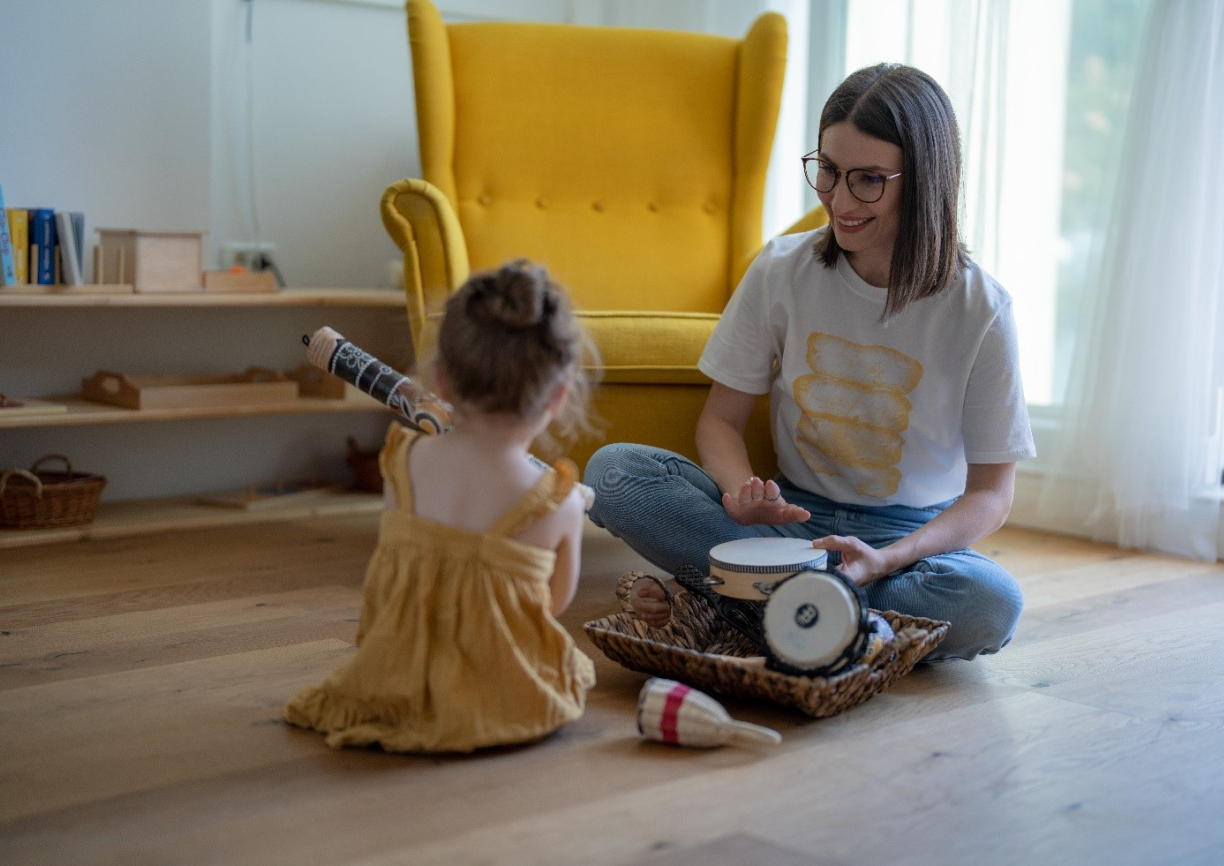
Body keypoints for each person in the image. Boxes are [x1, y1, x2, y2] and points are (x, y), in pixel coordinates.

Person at [584, 63, 1035, 662]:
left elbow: (991, 496)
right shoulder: (781, 270)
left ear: (924, 180)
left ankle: (744, 605)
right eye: (828, 171)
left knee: (989, 603)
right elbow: (719, 422)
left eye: (869, 179)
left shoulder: (981, 308)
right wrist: (739, 492)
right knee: (614, 472)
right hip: (789, 527)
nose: (839, 200)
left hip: (909, 542)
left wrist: (890, 560)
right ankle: (828, 619)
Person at [285, 260, 598, 752]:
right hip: (500, 691)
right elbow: (551, 605)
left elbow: (392, 576)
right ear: (558, 397)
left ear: (442, 383)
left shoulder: (401, 462)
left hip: (396, 671)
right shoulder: (558, 503)